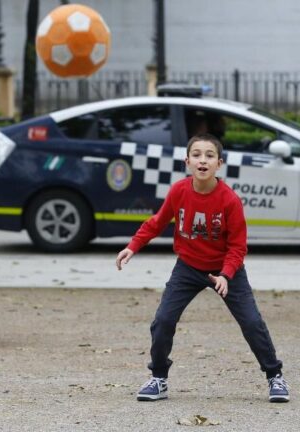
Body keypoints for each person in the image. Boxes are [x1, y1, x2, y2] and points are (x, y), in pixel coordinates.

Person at [115, 133, 289, 403]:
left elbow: (237, 247)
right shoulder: (179, 191)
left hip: (226, 271)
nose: (202, 160)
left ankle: (274, 377)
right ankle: (158, 378)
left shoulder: (229, 200)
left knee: (252, 323)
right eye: (196, 155)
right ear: (187, 161)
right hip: (187, 267)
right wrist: (133, 246)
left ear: (219, 164)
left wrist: (226, 275)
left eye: (209, 155)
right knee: (163, 321)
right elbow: (158, 222)